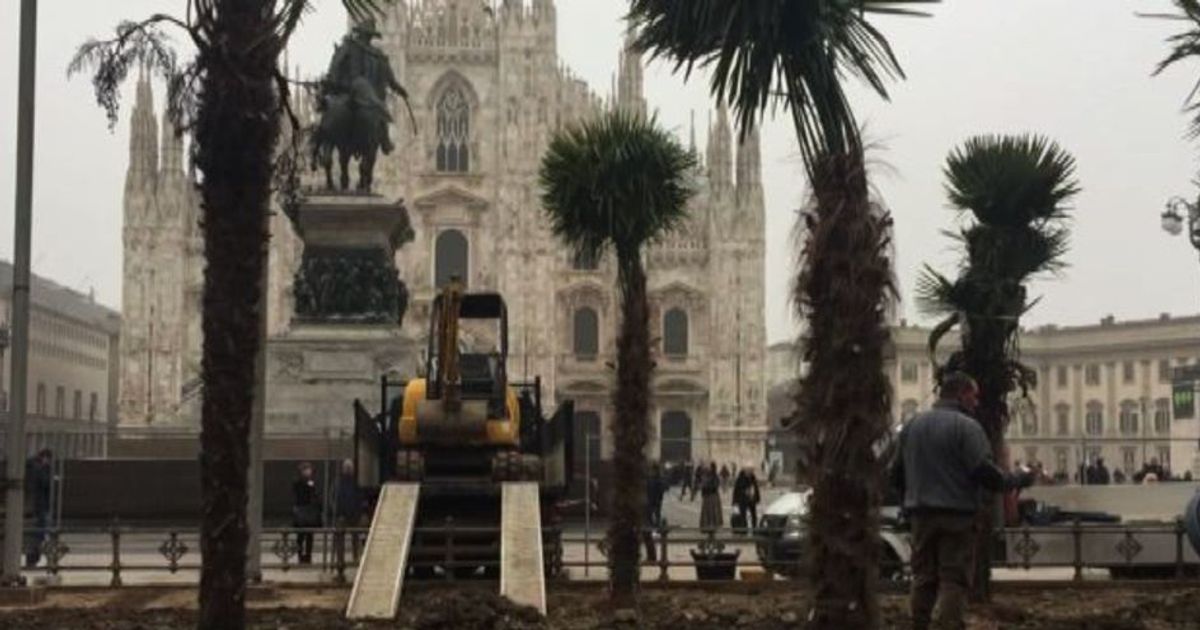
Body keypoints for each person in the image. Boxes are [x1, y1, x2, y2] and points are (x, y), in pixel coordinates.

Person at [891, 373, 1033, 630]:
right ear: (961, 394)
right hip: (957, 515)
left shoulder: (912, 426)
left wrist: (908, 503)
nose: (976, 403)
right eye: (974, 396)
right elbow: (984, 472)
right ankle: (948, 624)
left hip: (920, 515)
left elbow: (896, 474)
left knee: (923, 577)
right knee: (953, 579)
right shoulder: (967, 427)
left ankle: (919, 624)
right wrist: (1017, 479)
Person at [24, 449, 52, 568]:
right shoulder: (39, 468)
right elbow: (45, 482)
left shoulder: (30, 466)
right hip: (39, 505)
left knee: (34, 534)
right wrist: (46, 469)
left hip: (32, 505)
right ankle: (33, 559)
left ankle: (31, 559)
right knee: (39, 534)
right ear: (45, 457)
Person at [292, 461, 322, 564]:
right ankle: (301, 556)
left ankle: (308, 555)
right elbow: (299, 495)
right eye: (307, 470)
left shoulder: (311, 482)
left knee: (309, 535)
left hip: (309, 511)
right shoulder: (298, 483)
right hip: (302, 510)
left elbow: (315, 495)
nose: (309, 472)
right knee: (301, 536)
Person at [333, 459, 363, 563]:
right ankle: (340, 560)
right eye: (347, 467)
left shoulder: (355, 482)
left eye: (350, 467)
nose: (348, 469)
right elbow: (334, 498)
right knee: (340, 538)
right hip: (342, 514)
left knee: (355, 537)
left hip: (354, 514)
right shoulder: (338, 483)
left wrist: (359, 512)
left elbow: (359, 498)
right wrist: (337, 512)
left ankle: (355, 557)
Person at [732, 467, 761, 532]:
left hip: (751, 500)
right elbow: (736, 490)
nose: (750, 472)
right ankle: (744, 529)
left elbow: (756, 489)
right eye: (749, 470)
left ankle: (754, 528)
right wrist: (735, 501)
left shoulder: (753, 478)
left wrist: (757, 498)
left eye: (751, 471)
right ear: (745, 471)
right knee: (743, 515)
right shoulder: (740, 479)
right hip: (743, 500)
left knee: (753, 515)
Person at [699, 462, 722, 533]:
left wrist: (707, 487)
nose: (707, 469)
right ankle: (706, 526)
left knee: (712, 512)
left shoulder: (714, 476)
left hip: (712, 496)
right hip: (708, 496)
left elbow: (715, 485)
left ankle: (712, 526)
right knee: (707, 512)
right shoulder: (705, 475)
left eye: (709, 467)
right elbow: (703, 485)